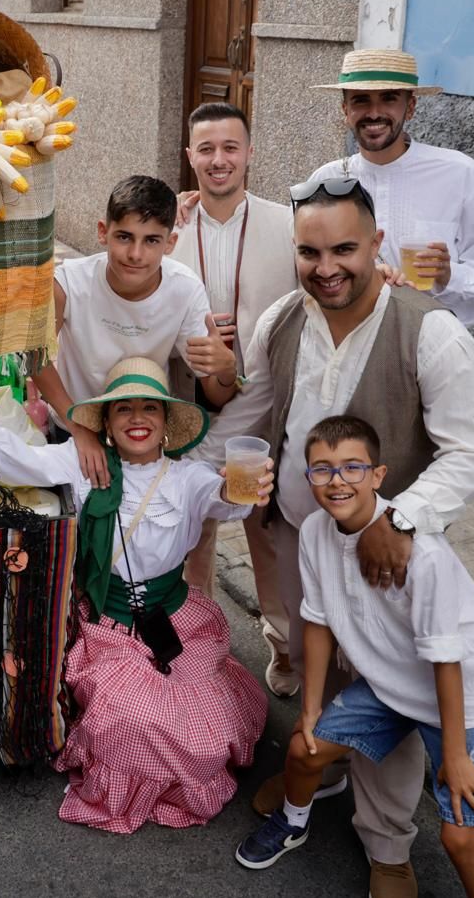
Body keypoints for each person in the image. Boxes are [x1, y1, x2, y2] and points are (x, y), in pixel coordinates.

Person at [197, 177, 474, 898]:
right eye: (310, 251)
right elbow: (250, 416)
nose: (326, 266)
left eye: (343, 249)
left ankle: (388, 846)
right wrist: (186, 481)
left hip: (384, 554)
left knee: (388, 688)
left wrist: (401, 519)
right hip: (304, 545)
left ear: (376, 245)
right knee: (318, 668)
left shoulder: (432, 331)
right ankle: (325, 770)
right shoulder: (284, 317)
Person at [0, 357, 270, 833]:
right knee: (132, 719)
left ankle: (171, 776)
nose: (136, 418)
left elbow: (223, 500)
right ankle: (131, 782)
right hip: (107, 626)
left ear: (167, 424)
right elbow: (16, 460)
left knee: (211, 731)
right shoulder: (84, 462)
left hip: (176, 621)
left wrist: (247, 489)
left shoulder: (187, 477)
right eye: (122, 409)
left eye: (149, 408)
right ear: (106, 423)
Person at [237, 415, 474, 898]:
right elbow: (318, 619)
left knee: (463, 840)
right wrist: (310, 708)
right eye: (321, 469)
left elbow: (446, 657)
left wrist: (453, 755)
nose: (337, 480)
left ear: (379, 476)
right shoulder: (317, 532)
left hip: (468, 692)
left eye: (352, 468)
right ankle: (294, 822)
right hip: (393, 680)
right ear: (307, 478)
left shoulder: (421, 553)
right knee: (306, 748)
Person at [171, 102, 301, 696]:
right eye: (206, 149)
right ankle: (196, 651)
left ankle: (283, 647)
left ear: (249, 153)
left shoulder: (289, 223)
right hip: (185, 405)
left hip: (261, 411)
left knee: (263, 531)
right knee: (191, 532)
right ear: (190, 156)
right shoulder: (170, 228)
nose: (218, 160)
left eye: (230, 147)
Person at [34, 175, 237, 489]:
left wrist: (226, 368)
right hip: (74, 429)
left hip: (145, 438)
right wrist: (80, 429)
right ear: (104, 232)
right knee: (75, 530)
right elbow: (37, 358)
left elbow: (217, 392)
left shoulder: (184, 290)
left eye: (152, 240)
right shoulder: (68, 284)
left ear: (170, 243)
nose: (136, 254)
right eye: (125, 237)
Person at [308, 49, 474, 327]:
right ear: (346, 111)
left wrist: (449, 274)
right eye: (361, 101)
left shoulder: (459, 174)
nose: (374, 113)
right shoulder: (326, 180)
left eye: (389, 99)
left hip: (436, 343)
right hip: (350, 337)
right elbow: (308, 266)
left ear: (411, 107)